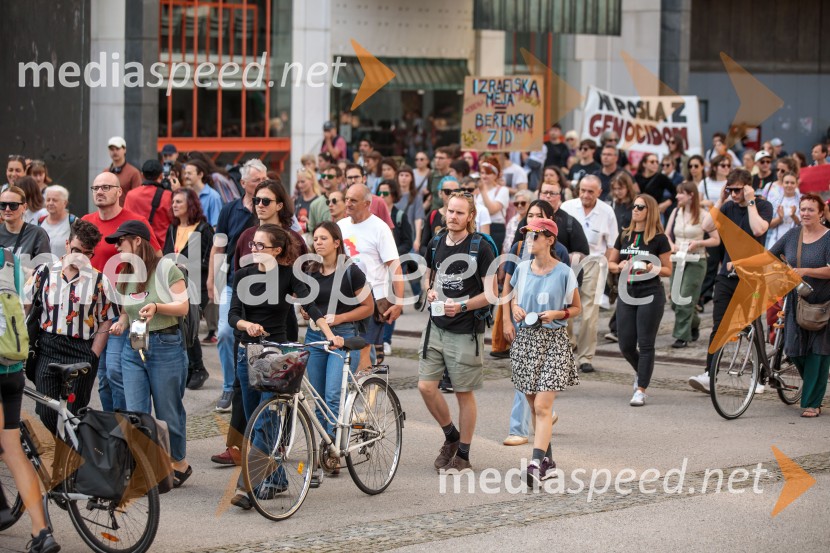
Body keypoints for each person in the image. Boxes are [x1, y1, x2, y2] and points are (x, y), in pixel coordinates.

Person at [228, 224, 336, 506]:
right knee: (255, 421)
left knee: (265, 420)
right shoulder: (242, 275)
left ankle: (246, 487)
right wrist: (246, 324)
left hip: (276, 355)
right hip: (247, 353)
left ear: (276, 250)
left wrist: (329, 335)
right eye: (252, 245)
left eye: (260, 246)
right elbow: (232, 315)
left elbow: (311, 306)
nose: (253, 250)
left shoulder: (288, 275)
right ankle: (277, 478)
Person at [107, 220, 192, 488]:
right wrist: (121, 321)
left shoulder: (166, 267)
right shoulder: (125, 273)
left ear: (138, 241)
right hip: (135, 345)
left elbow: (183, 307)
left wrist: (157, 306)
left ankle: (178, 461)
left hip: (165, 344)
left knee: (168, 409)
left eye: (121, 241)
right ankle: (144, 465)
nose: (118, 246)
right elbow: (125, 308)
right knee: (136, 410)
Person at [419, 192, 497, 472]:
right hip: (436, 325)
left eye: (459, 213)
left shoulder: (481, 247)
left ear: (470, 217)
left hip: (466, 330)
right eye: (450, 211)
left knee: (463, 392)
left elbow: (491, 294)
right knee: (426, 387)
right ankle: (451, 436)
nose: (453, 217)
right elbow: (430, 274)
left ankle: (463, 454)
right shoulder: (437, 240)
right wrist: (429, 291)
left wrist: (462, 306)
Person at [503, 217, 580, 481]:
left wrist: (559, 312)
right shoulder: (522, 269)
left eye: (535, 235)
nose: (529, 240)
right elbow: (512, 297)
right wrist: (515, 308)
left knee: (543, 406)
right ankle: (548, 459)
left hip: (554, 341)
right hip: (526, 340)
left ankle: (535, 465)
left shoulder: (564, 272)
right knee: (534, 403)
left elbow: (577, 308)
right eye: (527, 235)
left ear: (549, 239)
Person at [26, 220, 117, 434]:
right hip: (47, 347)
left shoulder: (100, 280)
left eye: (86, 253)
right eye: (76, 250)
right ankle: (71, 452)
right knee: (46, 409)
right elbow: (25, 306)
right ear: (67, 244)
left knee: (73, 414)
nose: (79, 257)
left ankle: (72, 462)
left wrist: (94, 354)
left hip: (81, 350)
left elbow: (106, 318)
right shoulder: (44, 272)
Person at [81, 171, 161, 412]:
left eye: (106, 187)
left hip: (122, 308)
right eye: (96, 188)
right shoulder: (86, 221)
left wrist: (146, 293)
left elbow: (156, 259)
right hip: (91, 309)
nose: (100, 192)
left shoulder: (135, 222)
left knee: (116, 370)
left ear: (119, 192)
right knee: (102, 376)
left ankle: (127, 426)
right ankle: (111, 428)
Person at [688, 169, 773, 393]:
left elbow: (758, 229)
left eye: (737, 190)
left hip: (752, 276)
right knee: (719, 326)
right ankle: (709, 374)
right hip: (727, 275)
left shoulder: (763, 206)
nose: (734, 194)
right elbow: (706, 227)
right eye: (730, 189)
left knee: (752, 327)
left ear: (748, 187)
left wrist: (751, 200)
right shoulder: (727, 206)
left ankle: (760, 377)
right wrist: (721, 198)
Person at [0, 251, 61, 552]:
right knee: (13, 451)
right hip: (11, 367)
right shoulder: (8, 259)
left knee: (10, 450)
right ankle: (42, 533)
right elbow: (25, 306)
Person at [499, 199, 570, 441]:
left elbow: (567, 297)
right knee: (524, 380)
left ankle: (541, 418)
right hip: (523, 323)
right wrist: (508, 319)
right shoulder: (519, 248)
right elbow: (509, 287)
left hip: (549, 329)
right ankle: (520, 428)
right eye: (529, 215)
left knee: (538, 387)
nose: (531, 220)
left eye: (538, 216)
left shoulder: (560, 255)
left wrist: (558, 314)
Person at [305, 222, 374, 440]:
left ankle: (333, 448)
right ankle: (324, 447)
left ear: (337, 243)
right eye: (315, 238)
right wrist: (305, 312)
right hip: (315, 336)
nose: (318, 243)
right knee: (318, 398)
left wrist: (340, 317)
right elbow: (307, 303)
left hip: (343, 336)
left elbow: (368, 307)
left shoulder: (351, 271)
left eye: (323, 238)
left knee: (333, 396)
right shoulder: (311, 271)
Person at [766, 194, 830, 417]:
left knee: (818, 353)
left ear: (821, 213)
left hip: (823, 303)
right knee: (793, 350)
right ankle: (812, 387)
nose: (805, 213)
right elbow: (770, 255)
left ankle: (812, 402)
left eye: (811, 209)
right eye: (803, 209)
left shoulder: (828, 238)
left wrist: (805, 271)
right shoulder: (793, 234)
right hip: (795, 301)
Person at [208, 159, 263, 412]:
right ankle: (229, 387)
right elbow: (218, 247)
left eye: (265, 179)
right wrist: (212, 279)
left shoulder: (271, 208)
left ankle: (256, 385)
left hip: (264, 285)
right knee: (225, 333)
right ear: (243, 184)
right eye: (257, 180)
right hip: (232, 281)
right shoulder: (229, 210)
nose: (262, 184)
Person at [608, 194, 672, 406]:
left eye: (640, 207)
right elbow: (611, 263)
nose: (635, 209)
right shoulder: (624, 234)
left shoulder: (659, 239)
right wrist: (619, 267)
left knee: (645, 343)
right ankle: (642, 372)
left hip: (650, 292)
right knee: (625, 344)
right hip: (627, 291)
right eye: (634, 206)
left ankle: (641, 389)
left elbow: (668, 270)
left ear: (649, 211)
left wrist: (650, 268)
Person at [338, 184, 404, 370]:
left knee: (363, 348)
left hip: (373, 297)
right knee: (343, 347)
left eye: (353, 200)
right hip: (343, 295)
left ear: (367, 203)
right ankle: (355, 389)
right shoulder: (340, 226)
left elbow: (395, 266)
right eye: (347, 198)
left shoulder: (380, 228)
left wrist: (399, 302)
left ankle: (363, 393)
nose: (348, 203)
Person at [560, 175, 618, 373]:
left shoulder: (607, 211)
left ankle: (585, 357)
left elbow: (611, 245)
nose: (585, 195)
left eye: (590, 191)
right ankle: (568, 347)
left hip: (594, 262)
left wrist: (607, 267)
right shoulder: (568, 206)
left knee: (589, 312)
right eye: (583, 190)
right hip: (568, 262)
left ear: (599, 192)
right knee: (565, 308)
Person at [163, 187, 215, 390]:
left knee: (189, 322)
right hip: (175, 284)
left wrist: (185, 265)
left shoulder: (203, 229)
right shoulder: (172, 228)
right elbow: (168, 253)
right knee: (181, 325)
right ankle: (190, 368)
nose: (174, 205)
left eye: (179, 202)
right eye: (173, 202)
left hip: (196, 285)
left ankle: (199, 368)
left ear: (190, 204)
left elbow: (209, 259)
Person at [665, 182, 720, 348]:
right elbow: (666, 234)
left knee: (684, 298)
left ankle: (682, 336)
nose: (677, 197)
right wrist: (671, 245)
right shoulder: (676, 212)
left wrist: (698, 243)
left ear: (691, 195)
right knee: (675, 300)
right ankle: (694, 321)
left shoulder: (704, 215)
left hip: (696, 260)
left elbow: (716, 240)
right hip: (678, 259)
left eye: (680, 193)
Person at [378, 179, 413, 355]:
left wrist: (392, 254)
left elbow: (408, 242)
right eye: (380, 193)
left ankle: (386, 340)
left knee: (391, 301)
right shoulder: (374, 216)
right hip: (378, 268)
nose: (382, 196)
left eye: (386, 193)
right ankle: (378, 339)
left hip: (393, 264)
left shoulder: (399, 216)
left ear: (393, 195)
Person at [604, 172, 638, 342]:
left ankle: (617, 327)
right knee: (616, 288)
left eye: (621, 188)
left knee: (624, 288)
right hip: (615, 247)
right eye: (614, 188)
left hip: (629, 247)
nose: (617, 192)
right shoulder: (612, 205)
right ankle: (617, 325)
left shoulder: (634, 205)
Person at [123, 160, 174, 248]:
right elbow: (175, 221)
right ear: (161, 175)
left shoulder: (131, 195)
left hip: (137, 247)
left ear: (142, 175)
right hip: (161, 249)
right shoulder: (168, 196)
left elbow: (125, 220)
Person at [0, 186, 51, 261]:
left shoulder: (37, 234)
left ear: (24, 207)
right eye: (3, 205)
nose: (7, 209)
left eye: (13, 205)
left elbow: (45, 268)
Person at [477, 157, 510, 253]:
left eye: (488, 173)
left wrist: (482, 191)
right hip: (479, 226)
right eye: (482, 173)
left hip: (495, 227)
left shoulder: (502, 190)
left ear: (495, 175)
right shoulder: (477, 191)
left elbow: (492, 210)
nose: (484, 176)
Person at [38, 185, 76, 258]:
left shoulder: (73, 222)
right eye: (48, 200)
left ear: (65, 203)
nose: (50, 203)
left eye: (54, 200)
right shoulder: (40, 221)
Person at [182, 158, 222, 227]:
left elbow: (216, 226)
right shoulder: (186, 195)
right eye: (185, 173)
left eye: (189, 173)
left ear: (200, 174)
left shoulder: (213, 196)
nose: (186, 176)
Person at [765, 171, 801, 249]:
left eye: (792, 183)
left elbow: (803, 224)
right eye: (787, 182)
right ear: (782, 184)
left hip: (794, 242)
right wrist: (779, 218)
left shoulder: (801, 201)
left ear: (796, 184)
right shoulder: (775, 201)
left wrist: (794, 216)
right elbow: (768, 224)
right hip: (775, 241)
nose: (789, 185)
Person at [106, 136, 141, 203]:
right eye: (112, 149)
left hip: (126, 211)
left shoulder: (134, 173)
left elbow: (137, 198)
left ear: (124, 150)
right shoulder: (105, 172)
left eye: (117, 149)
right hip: (107, 212)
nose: (114, 152)